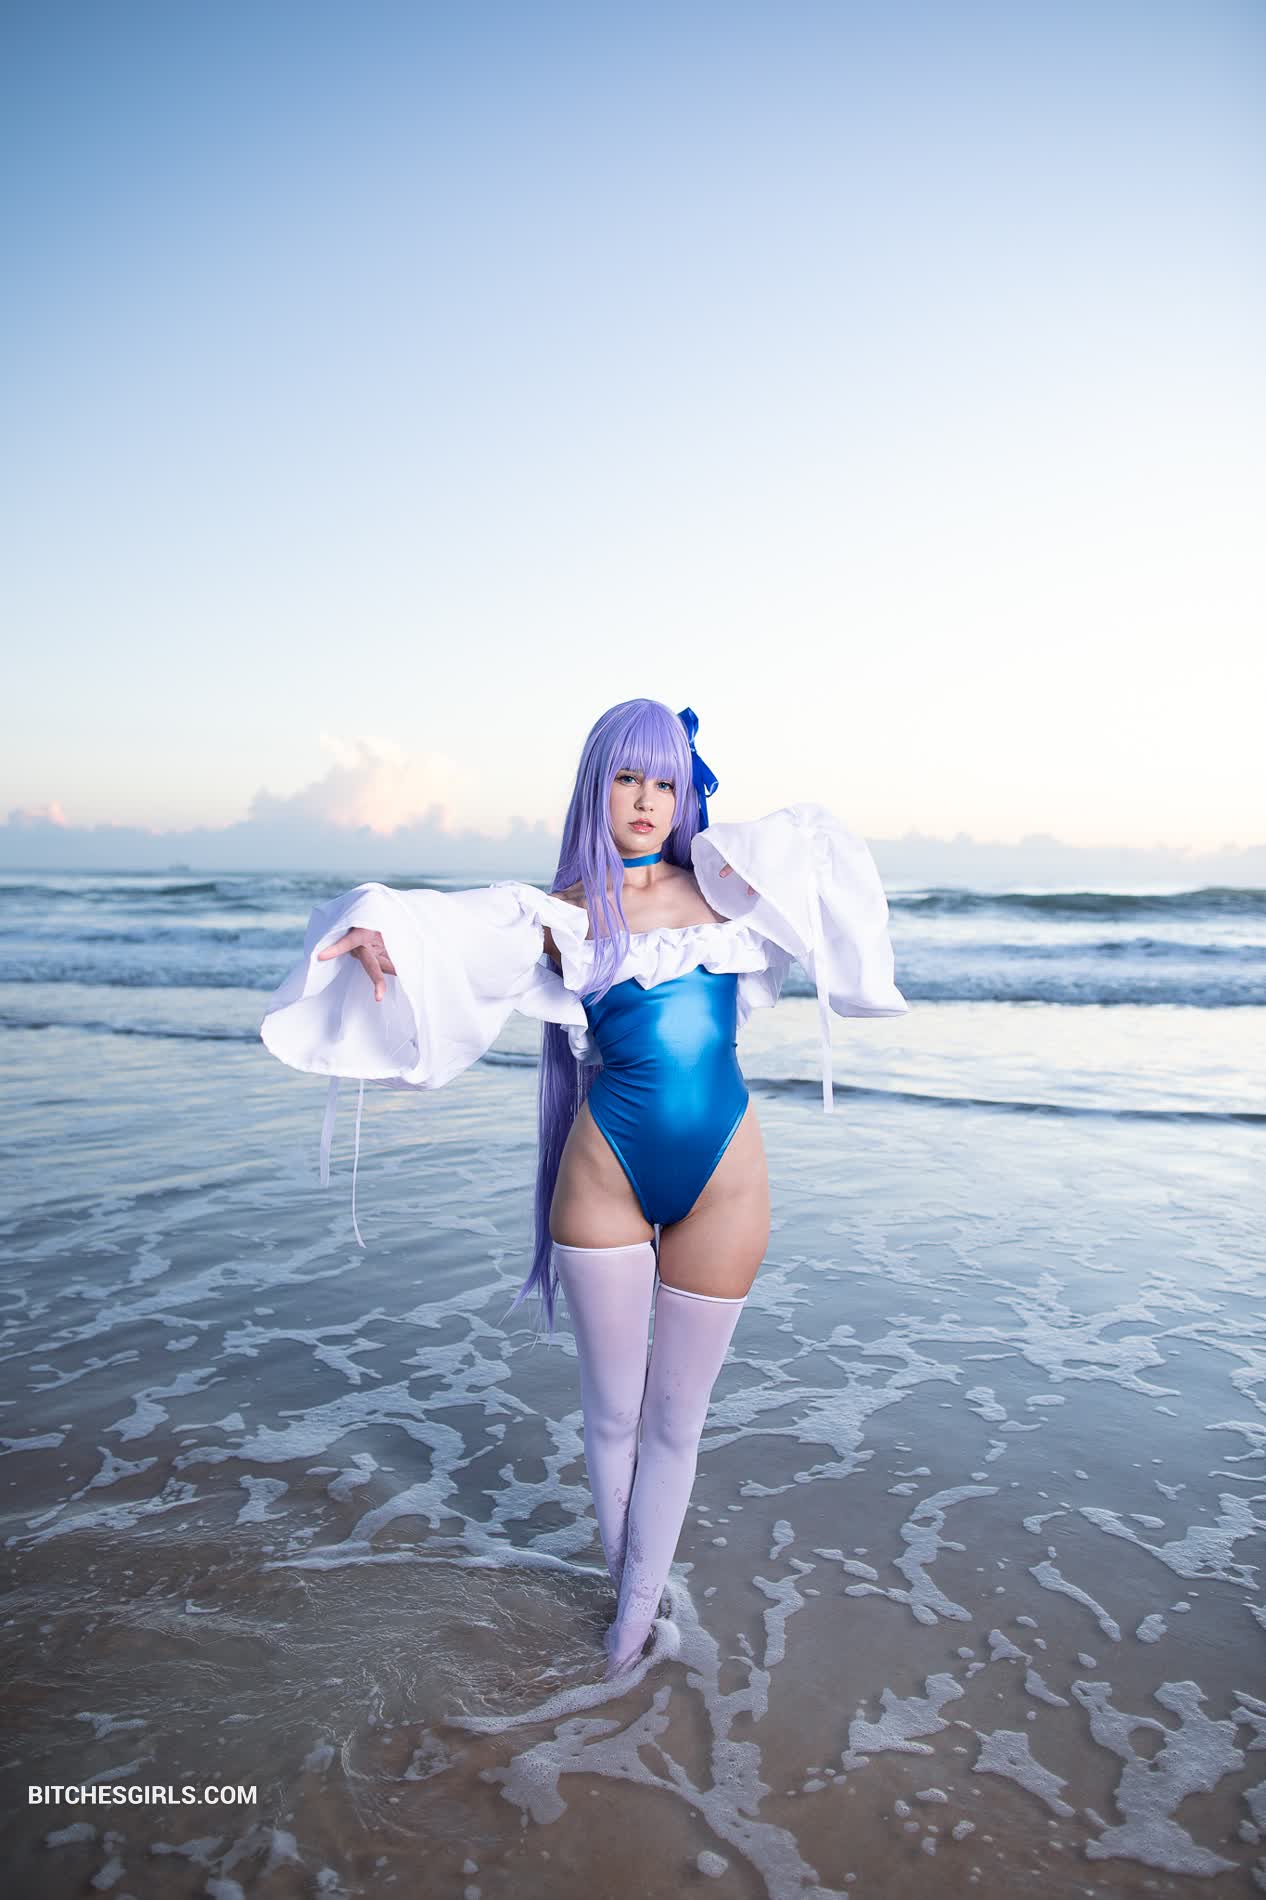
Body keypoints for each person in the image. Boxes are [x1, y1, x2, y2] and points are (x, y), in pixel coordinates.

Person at [259, 698, 908, 1678]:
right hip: (604, 1176)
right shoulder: (558, 914)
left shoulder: (731, 892)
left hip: (726, 1180)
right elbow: (442, 928)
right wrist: (375, 929)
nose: (646, 800)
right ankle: (629, 1619)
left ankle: (632, 1617)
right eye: (627, 778)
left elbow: (820, 849)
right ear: (595, 788)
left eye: (666, 781)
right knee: (612, 1416)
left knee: (676, 1422)